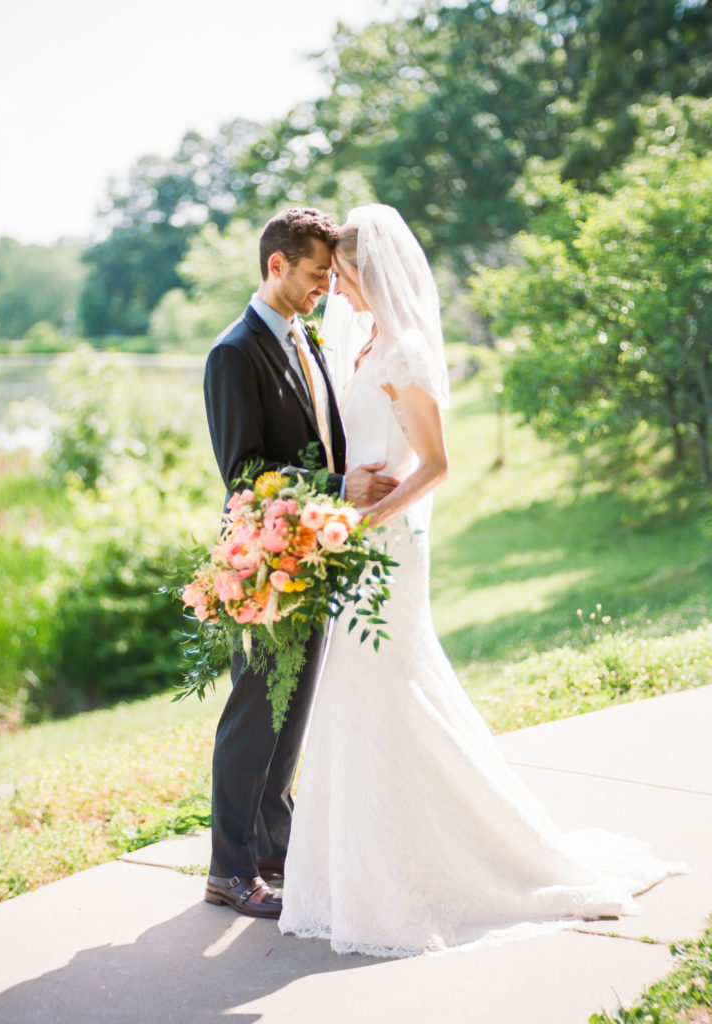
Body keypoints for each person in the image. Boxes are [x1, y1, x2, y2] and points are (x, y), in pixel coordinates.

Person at [278, 203, 686, 956]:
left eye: (340, 274)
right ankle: (360, 867)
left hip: (388, 547)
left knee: (390, 686)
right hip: (355, 545)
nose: (334, 288)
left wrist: (365, 521)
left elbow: (434, 465)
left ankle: (466, 861)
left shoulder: (403, 353)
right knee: (356, 697)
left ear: (368, 273)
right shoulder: (363, 342)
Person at [202, 208, 399, 919]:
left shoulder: (306, 336)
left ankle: (271, 848)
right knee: (253, 715)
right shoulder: (233, 352)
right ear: (276, 266)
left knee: (291, 715)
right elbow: (243, 472)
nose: (325, 287)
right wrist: (333, 491)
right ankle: (227, 869)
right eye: (317, 274)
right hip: (261, 560)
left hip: (314, 553)